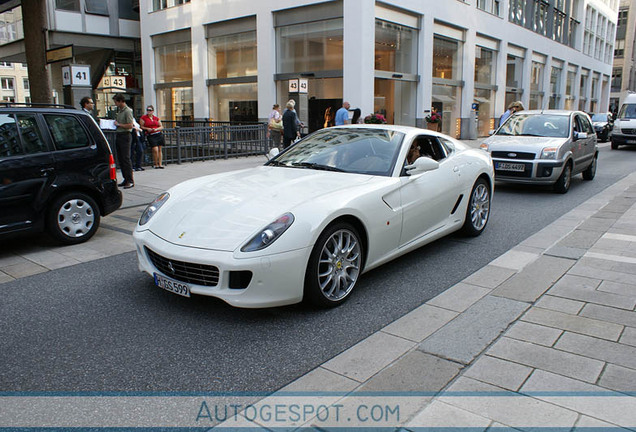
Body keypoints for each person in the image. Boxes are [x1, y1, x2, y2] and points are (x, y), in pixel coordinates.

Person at [112, 93, 134, 189]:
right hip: (119, 134)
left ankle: (130, 180)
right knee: (121, 158)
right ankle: (125, 178)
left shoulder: (127, 111)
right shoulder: (119, 111)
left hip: (125, 135)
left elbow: (130, 125)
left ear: (121, 101)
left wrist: (119, 124)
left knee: (125, 158)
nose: (115, 103)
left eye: (116, 102)